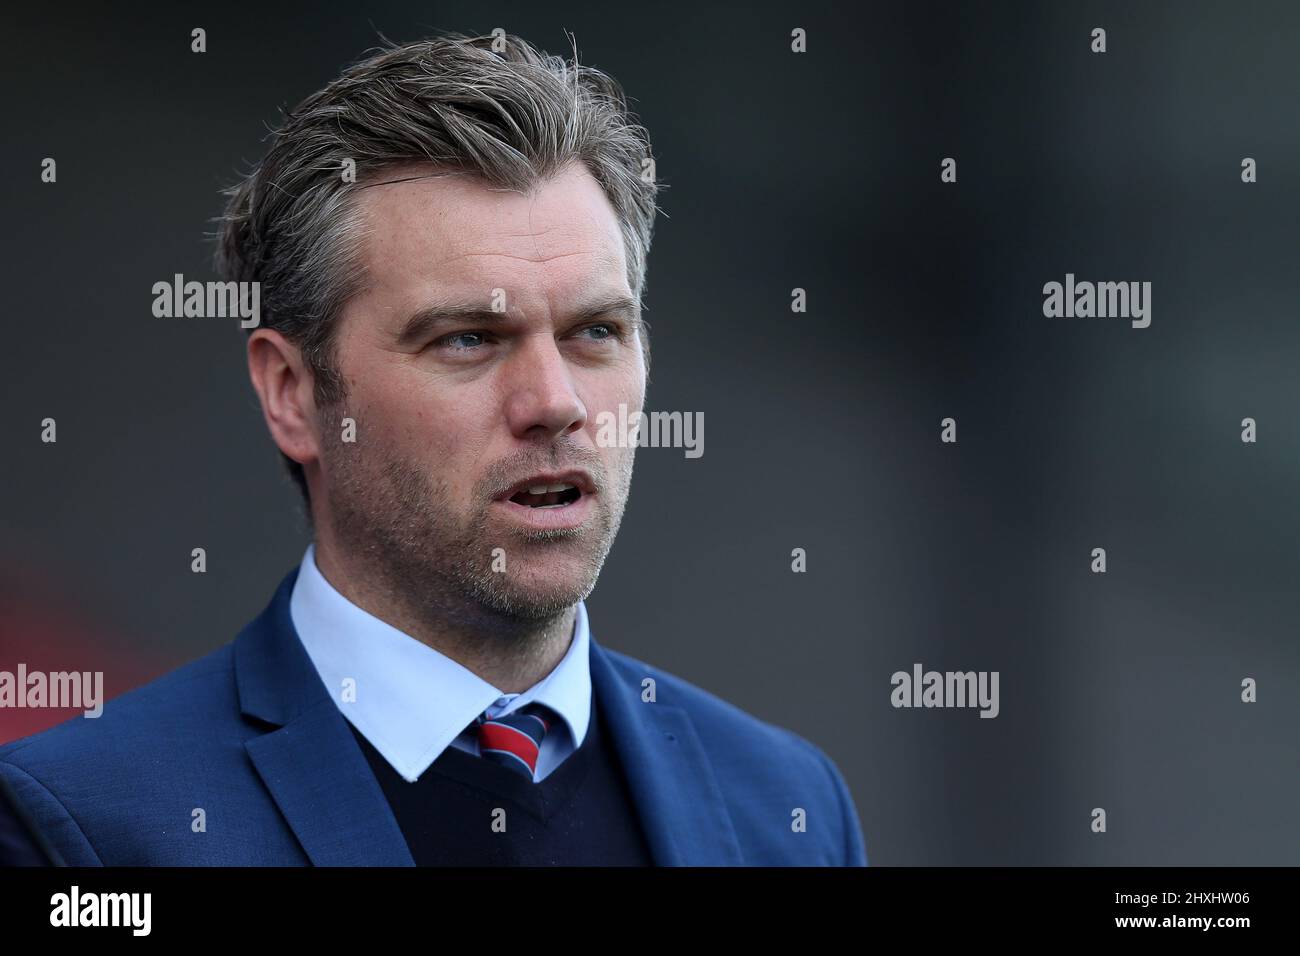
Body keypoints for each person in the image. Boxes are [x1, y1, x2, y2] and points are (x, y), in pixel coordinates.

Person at [0, 32, 867, 866]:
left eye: (595, 330)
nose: (556, 404)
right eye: (468, 339)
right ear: (293, 394)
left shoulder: (787, 811)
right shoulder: (83, 826)